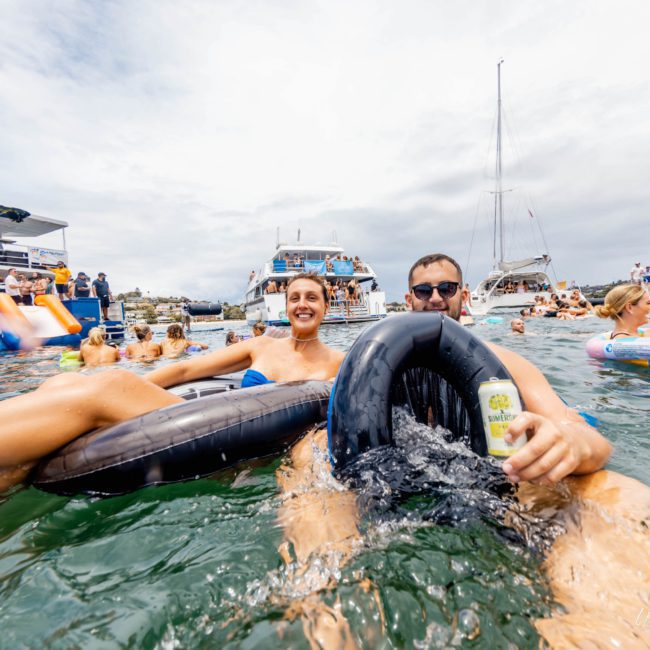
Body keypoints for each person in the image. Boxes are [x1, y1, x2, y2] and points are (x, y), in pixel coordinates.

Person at [0, 273, 343, 492]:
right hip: (207, 425)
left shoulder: (339, 363)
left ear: (326, 307)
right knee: (62, 382)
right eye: (295, 297)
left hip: (245, 449)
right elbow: (181, 372)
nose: (302, 304)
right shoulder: (261, 345)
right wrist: (130, 390)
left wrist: (115, 388)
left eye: (312, 298)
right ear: (285, 306)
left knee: (104, 389)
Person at [404, 253, 611, 484]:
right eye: (423, 290)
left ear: (463, 296)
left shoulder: (506, 363)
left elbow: (587, 437)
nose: (435, 298)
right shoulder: (383, 367)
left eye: (446, 288)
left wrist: (571, 442)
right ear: (408, 299)